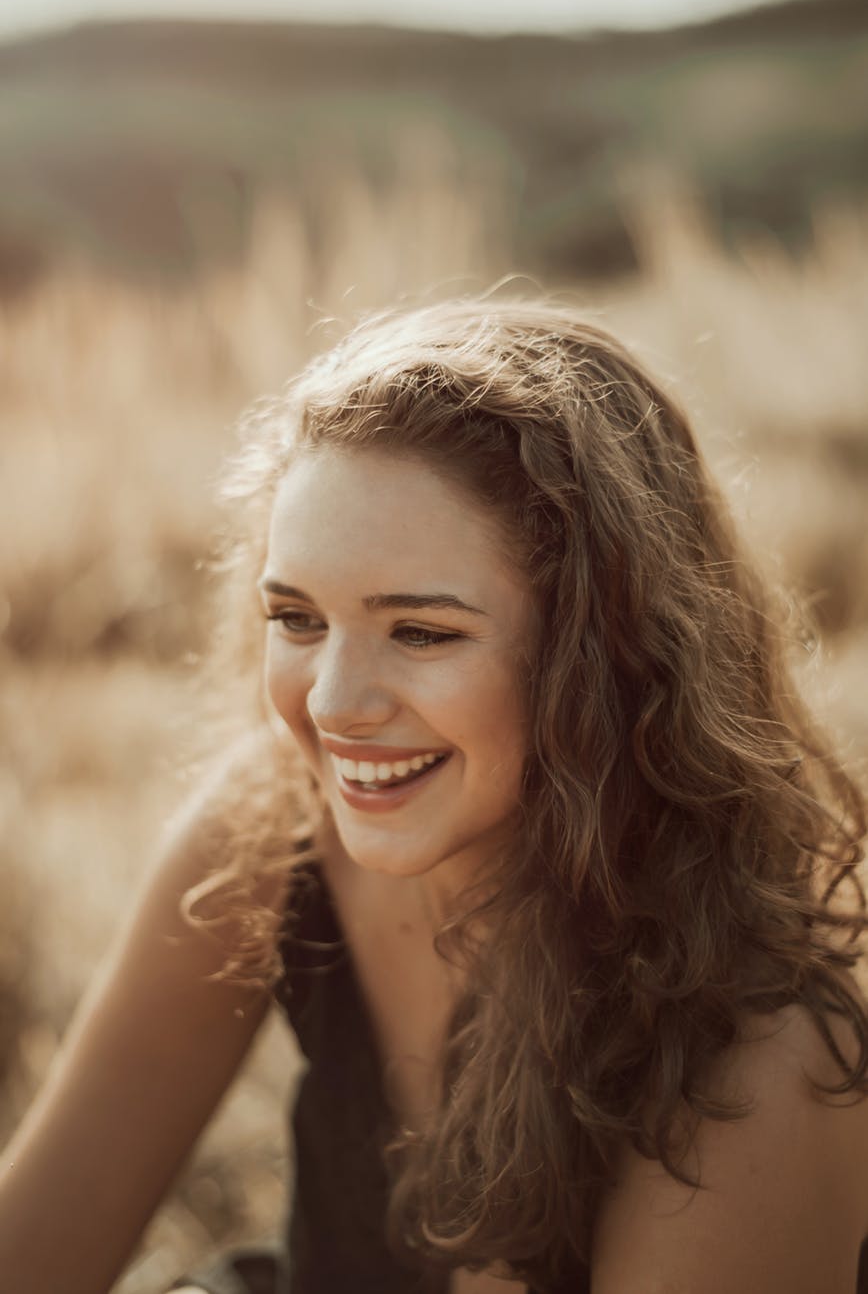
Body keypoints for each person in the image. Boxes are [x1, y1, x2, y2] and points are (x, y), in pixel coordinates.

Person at [1, 298, 867, 1294]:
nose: (332, 704)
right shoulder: (270, 825)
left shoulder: (756, 1064)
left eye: (420, 632)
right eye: (297, 617)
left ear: (606, 654)